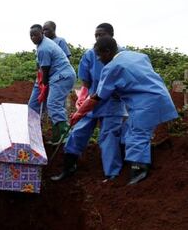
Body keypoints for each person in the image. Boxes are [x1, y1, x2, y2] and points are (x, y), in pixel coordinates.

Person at [70, 36, 178, 185]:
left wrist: (79, 113)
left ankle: (138, 171)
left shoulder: (111, 67)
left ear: (107, 52)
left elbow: (98, 97)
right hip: (160, 96)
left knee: (137, 134)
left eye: (100, 55)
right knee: (127, 130)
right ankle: (134, 160)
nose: (99, 60)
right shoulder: (137, 56)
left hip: (145, 104)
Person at [51, 23, 127, 182]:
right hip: (92, 101)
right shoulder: (90, 54)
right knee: (78, 132)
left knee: (109, 137)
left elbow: (126, 80)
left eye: (102, 35)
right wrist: (81, 99)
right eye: (96, 35)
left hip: (113, 102)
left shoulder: (122, 55)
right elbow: (86, 82)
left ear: (111, 36)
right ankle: (69, 167)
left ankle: (112, 175)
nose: (98, 38)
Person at [28, 24, 76, 145]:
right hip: (49, 76)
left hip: (61, 76)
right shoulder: (41, 45)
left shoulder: (45, 47)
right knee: (33, 105)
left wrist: (44, 85)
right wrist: (41, 84)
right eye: (31, 35)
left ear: (42, 34)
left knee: (53, 104)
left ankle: (65, 135)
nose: (33, 37)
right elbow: (40, 68)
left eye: (36, 35)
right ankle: (34, 135)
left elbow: (46, 69)